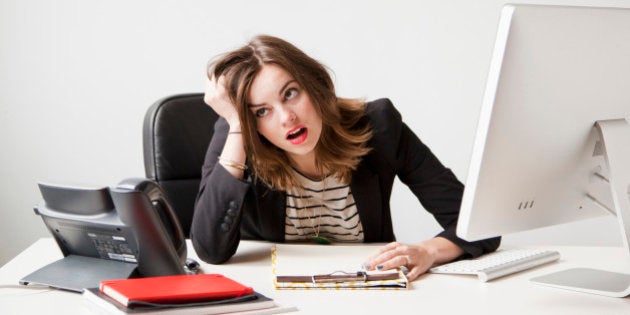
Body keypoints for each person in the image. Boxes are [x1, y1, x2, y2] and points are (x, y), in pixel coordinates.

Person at [190, 35, 500, 281]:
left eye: (290, 93)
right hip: (274, 299)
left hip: (369, 295)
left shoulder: (380, 125)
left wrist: (428, 251)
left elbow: (479, 224)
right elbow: (211, 250)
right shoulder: (237, 137)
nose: (287, 117)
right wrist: (237, 128)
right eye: (262, 111)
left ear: (315, 86)